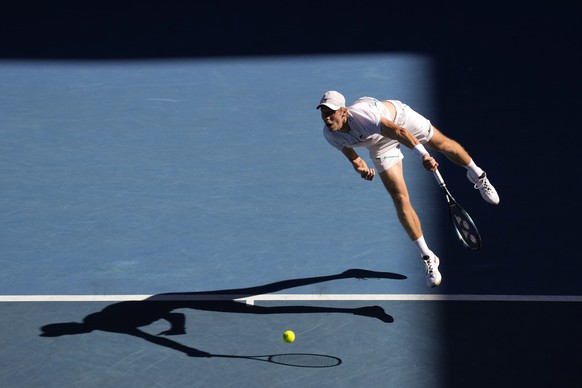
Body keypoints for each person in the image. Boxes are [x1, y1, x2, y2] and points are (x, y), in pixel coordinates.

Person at [316, 90, 499, 288]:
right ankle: (428, 256)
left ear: (343, 112)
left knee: (442, 144)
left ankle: (477, 174)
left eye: (331, 112)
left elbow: (399, 132)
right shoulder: (330, 135)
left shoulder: (364, 116)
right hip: (380, 145)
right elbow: (355, 159)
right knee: (399, 198)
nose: (326, 117)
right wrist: (362, 170)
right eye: (323, 112)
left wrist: (423, 156)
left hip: (401, 121)